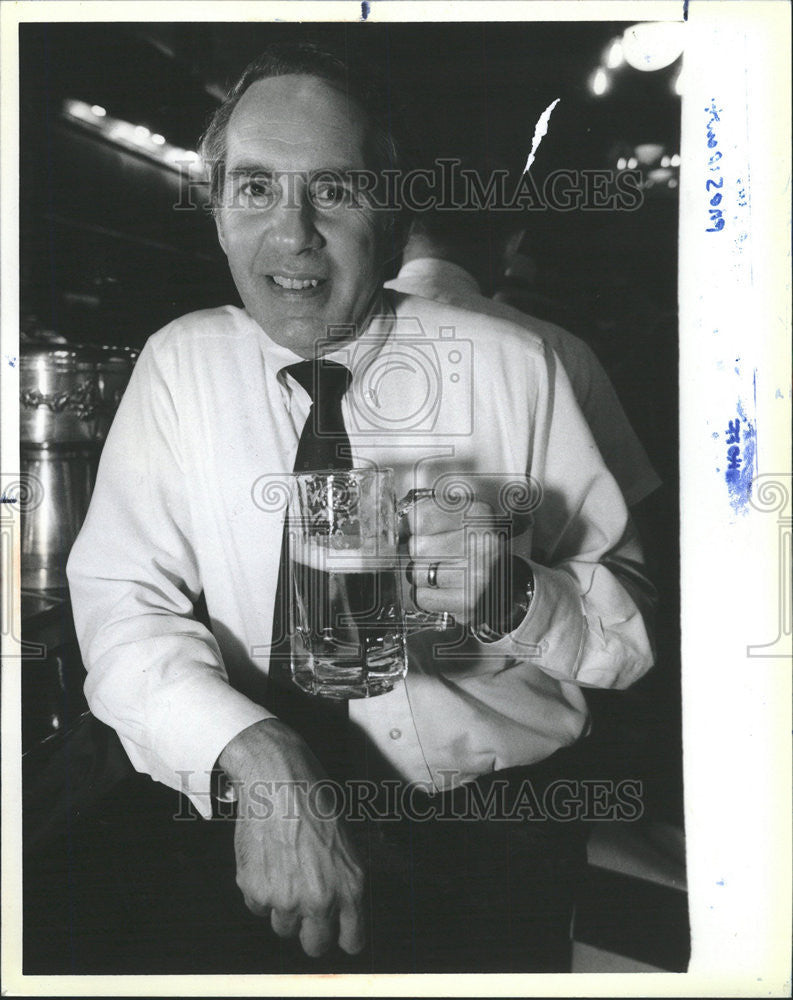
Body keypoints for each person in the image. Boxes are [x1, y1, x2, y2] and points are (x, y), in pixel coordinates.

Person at [66, 42, 656, 973]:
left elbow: (634, 629)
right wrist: (260, 758)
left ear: (392, 209)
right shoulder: (178, 365)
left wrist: (510, 595)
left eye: (332, 190)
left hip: (490, 845)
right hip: (241, 819)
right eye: (254, 189)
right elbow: (119, 603)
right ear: (216, 211)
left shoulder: (517, 366)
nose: (292, 235)